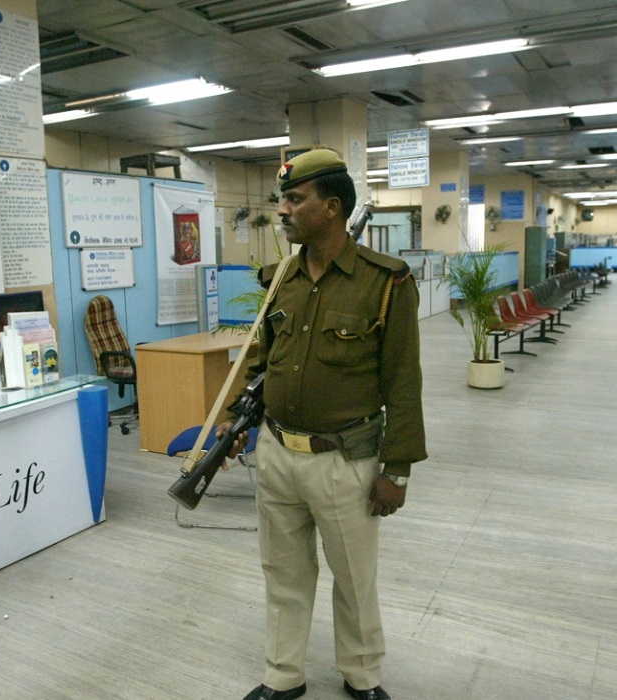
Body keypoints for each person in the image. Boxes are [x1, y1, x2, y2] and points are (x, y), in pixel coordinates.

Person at [221, 149, 426, 700]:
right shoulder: (279, 278)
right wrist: (240, 415)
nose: (283, 210)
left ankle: (361, 676)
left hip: (345, 461)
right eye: (282, 199)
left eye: (295, 199)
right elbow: (263, 360)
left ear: (332, 208)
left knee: (354, 579)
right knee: (282, 572)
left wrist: (398, 469)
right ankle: (284, 675)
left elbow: (403, 381)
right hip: (277, 453)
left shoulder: (384, 283)